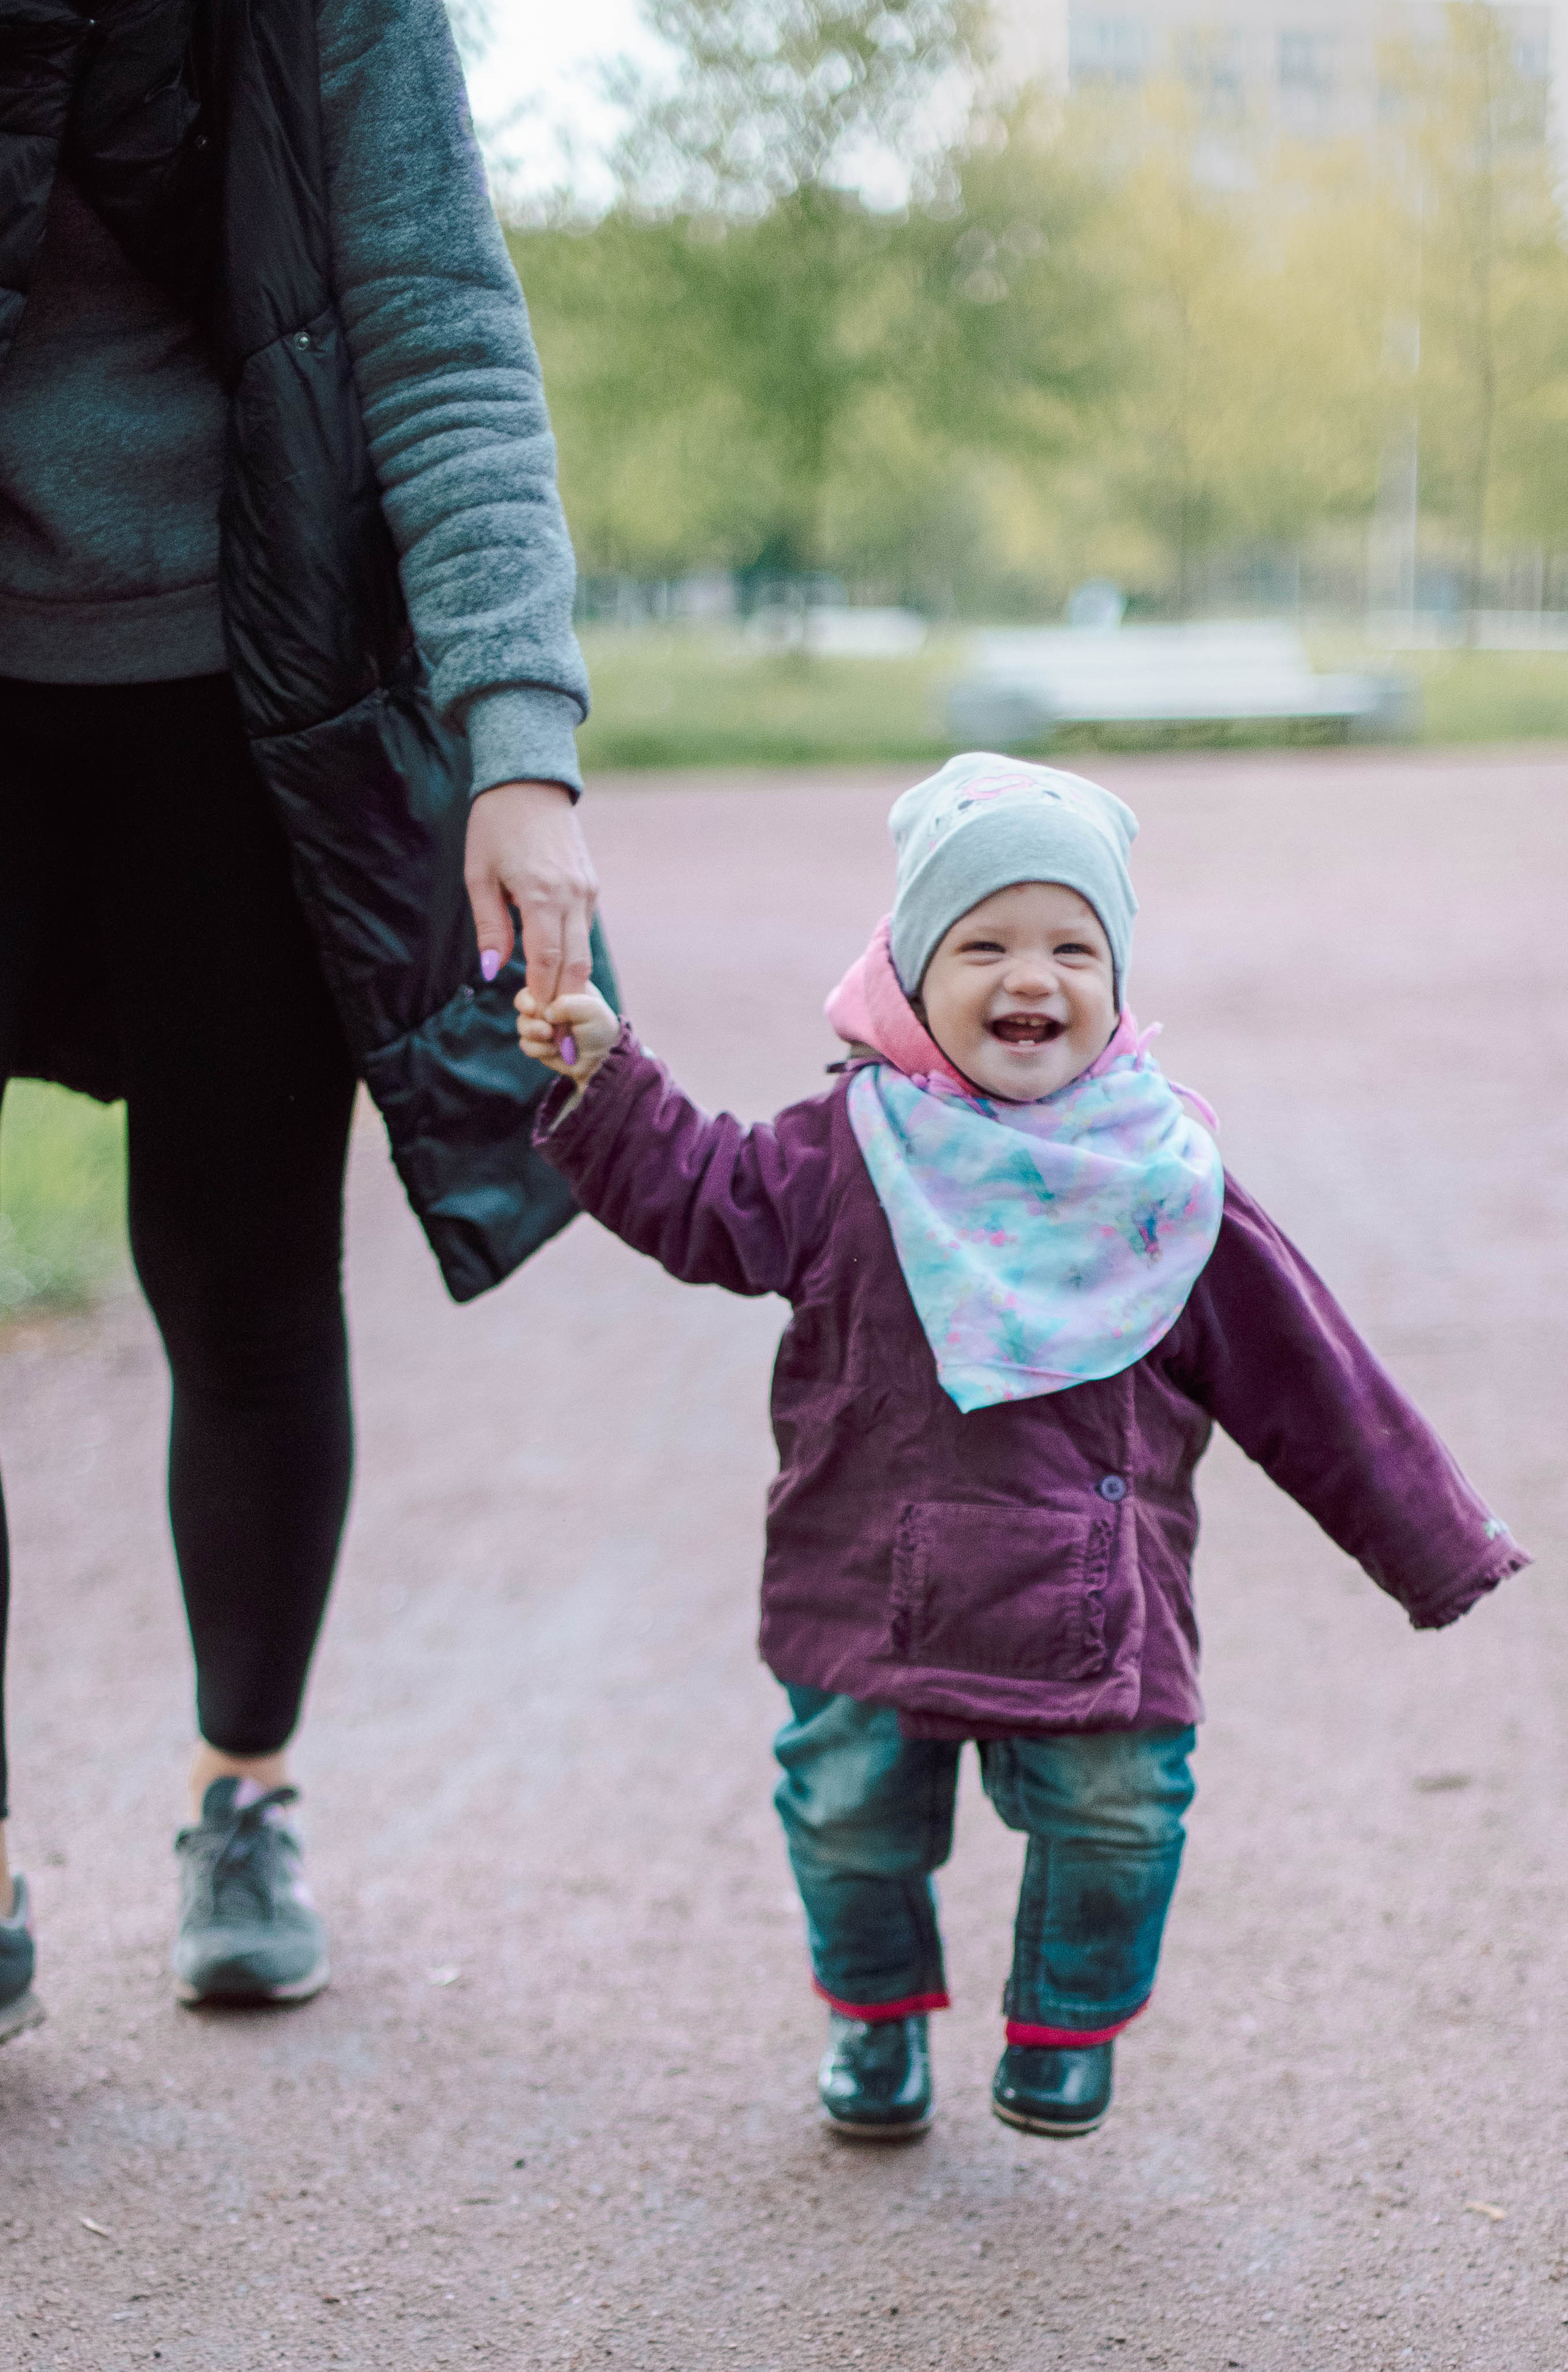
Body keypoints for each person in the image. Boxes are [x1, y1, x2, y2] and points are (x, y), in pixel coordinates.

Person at [514, 752, 1527, 2140]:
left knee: (1117, 1819)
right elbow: (699, 1191)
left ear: (1115, 984)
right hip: (866, 1580)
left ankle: (1062, 2027)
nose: (1027, 977)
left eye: (1070, 946)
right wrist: (603, 1077)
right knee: (845, 1815)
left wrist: (1432, 1544)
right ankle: (872, 2023)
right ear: (910, 977)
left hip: (1095, 1603)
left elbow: (1312, 1380)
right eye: (980, 943)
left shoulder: (1168, 1191)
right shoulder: (845, 1152)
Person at [0, 0, 608, 2039]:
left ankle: (239, 1788)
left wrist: (518, 743)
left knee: (244, 1282)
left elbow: (434, 327)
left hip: (250, 697)